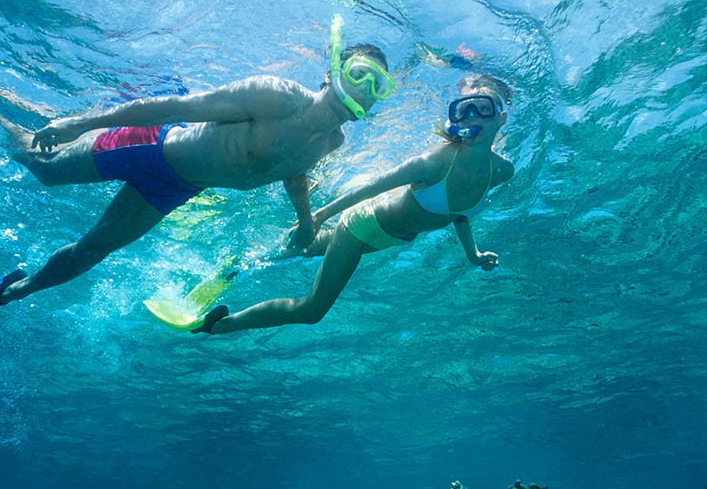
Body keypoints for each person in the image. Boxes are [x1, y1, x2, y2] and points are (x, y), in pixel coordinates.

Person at [0, 17, 395, 322]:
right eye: (358, 76)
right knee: (41, 168)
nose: (364, 91)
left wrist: (307, 223)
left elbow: (294, 175)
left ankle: (9, 294)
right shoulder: (276, 96)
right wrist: (80, 122)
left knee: (93, 250)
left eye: (378, 87)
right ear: (331, 71)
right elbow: (168, 106)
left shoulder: (332, 141)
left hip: (176, 187)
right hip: (149, 147)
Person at [197, 73, 515, 335]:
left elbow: (459, 213)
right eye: (464, 110)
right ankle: (221, 325)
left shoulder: (500, 171)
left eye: (482, 109)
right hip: (361, 227)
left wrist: (473, 254)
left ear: (500, 118)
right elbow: (372, 187)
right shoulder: (435, 162)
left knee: (297, 250)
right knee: (312, 311)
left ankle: (238, 266)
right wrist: (319, 216)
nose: (472, 117)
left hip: (387, 238)